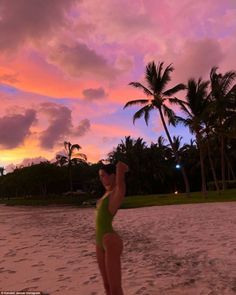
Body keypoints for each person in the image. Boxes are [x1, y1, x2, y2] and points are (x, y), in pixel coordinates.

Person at [95, 160, 129, 295]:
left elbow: (121, 186)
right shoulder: (106, 193)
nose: (101, 179)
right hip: (99, 242)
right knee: (107, 286)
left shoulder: (116, 193)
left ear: (112, 175)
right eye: (100, 176)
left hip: (110, 241)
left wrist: (120, 169)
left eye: (103, 175)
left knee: (115, 289)